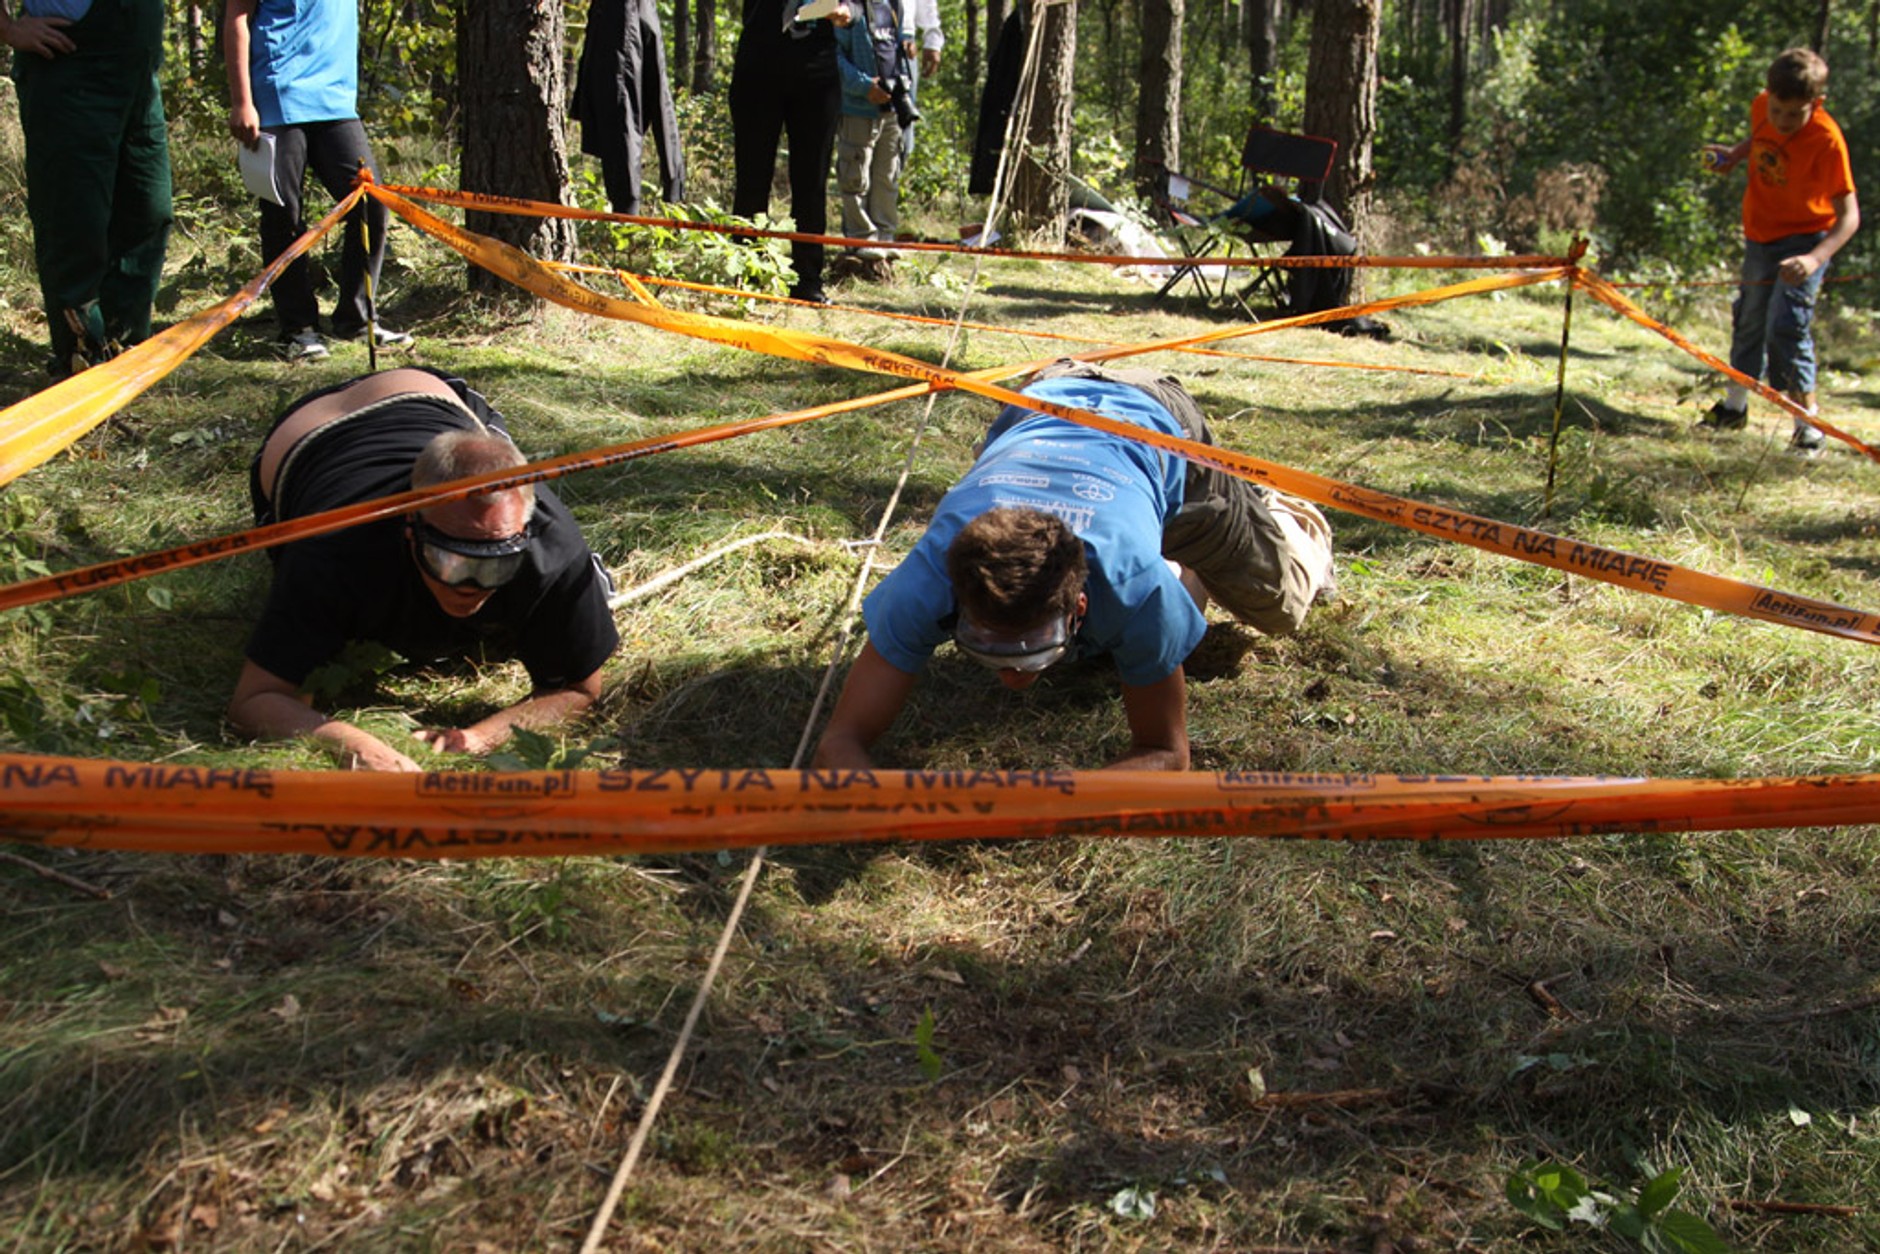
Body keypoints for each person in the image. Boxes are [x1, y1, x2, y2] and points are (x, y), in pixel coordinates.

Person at [813, 361, 1335, 772]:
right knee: (1130, 635)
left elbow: (1167, 756)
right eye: (988, 648)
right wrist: (877, 798)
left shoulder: (1134, 585)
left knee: (1279, 608)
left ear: (1081, 601)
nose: (1014, 679)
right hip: (1041, 397)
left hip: (1155, 417)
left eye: (1032, 650)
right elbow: (840, 741)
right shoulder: (932, 572)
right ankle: (1179, 560)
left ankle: (1280, 509)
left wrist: (1042, 803)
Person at [228, 368, 620, 772]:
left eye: (497, 567)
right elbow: (255, 699)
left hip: (428, 395)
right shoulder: (333, 550)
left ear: (524, 533)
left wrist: (475, 738)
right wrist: (358, 746)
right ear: (411, 532)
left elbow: (580, 689)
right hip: (306, 436)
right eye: (449, 561)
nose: (469, 587)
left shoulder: (552, 546)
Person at [224, 0, 412, 361]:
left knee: (371, 202)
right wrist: (241, 101)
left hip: (335, 100)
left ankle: (357, 319)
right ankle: (298, 329)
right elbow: (238, 16)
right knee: (284, 213)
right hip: (278, 91)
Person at [1699, 47, 1860, 455]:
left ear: (1816, 104)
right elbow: (1759, 137)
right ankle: (1734, 407)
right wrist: (1735, 156)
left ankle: (1808, 427)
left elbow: (1849, 216)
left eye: (1795, 114)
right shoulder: (1762, 107)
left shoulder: (1826, 140)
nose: (1783, 121)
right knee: (1750, 317)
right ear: (1766, 95)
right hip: (1760, 235)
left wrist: (1813, 259)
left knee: (1786, 324)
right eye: (1777, 110)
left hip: (1807, 241)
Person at [2, 0, 172, 380]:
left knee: (149, 209)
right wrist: (9, 30)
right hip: (70, 65)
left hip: (137, 72)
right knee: (75, 222)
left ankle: (124, 349)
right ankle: (81, 362)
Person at [730, 0, 853, 304]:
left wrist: (849, 9)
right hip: (760, 62)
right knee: (752, 175)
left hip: (818, 69)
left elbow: (856, 5)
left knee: (812, 179)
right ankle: (748, 272)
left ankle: (807, 279)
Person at [572, 0, 687, 216]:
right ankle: (663, 193)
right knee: (632, 94)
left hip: (622, 15)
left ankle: (629, 211)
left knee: (623, 98)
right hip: (623, 12)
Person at [833, 0, 907, 252]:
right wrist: (864, 86)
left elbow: (896, 51)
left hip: (891, 109)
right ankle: (860, 238)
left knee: (887, 176)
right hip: (858, 108)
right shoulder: (846, 8)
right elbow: (834, 57)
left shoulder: (892, 5)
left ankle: (885, 237)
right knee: (855, 175)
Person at [896, 0, 940, 162]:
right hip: (862, 32)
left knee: (903, 126)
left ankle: (893, 184)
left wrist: (932, 37)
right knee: (862, 125)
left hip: (905, 39)